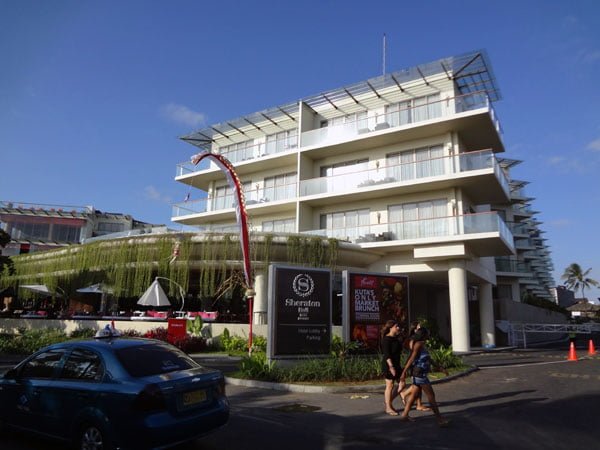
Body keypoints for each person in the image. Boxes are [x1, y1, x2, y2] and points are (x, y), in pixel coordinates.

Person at [399, 327, 449, 426]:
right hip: (419, 373)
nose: (429, 334)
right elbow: (411, 358)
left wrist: (440, 368)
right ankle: (439, 419)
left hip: (419, 373)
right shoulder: (418, 344)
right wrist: (403, 372)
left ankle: (404, 415)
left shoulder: (422, 344)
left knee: (413, 395)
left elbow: (428, 359)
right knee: (431, 396)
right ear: (424, 334)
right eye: (428, 333)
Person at [399, 321, 431, 412]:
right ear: (414, 329)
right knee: (417, 386)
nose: (420, 328)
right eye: (418, 327)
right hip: (416, 366)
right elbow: (413, 355)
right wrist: (405, 370)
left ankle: (417, 404)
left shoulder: (419, 340)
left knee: (417, 387)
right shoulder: (413, 340)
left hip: (419, 366)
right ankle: (405, 395)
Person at [381, 319, 403, 415]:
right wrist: (391, 367)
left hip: (397, 364)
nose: (398, 328)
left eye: (398, 326)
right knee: (390, 385)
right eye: (396, 326)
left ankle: (388, 402)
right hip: (389, 365)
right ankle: (388, 408)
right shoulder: (386, 339)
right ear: (391, 328)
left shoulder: (397, 338)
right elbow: (387, 354)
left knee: (402, 383)